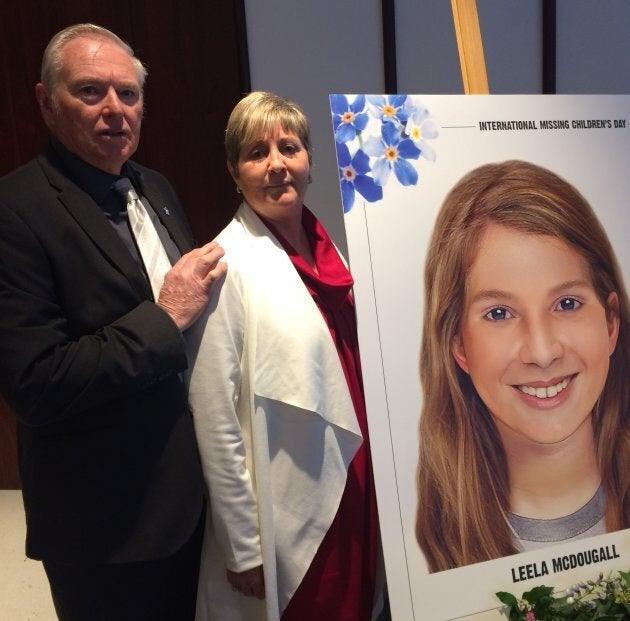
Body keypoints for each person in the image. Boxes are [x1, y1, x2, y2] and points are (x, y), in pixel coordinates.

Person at [0, 23, 226, 620]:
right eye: (90, 91)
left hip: (190, 502)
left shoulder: (156, 187)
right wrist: (164, 317)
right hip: (104, 527)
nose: (114, 110)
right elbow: (36, 382)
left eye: (128, 94)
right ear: (46, 103)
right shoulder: (13, 212)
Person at [186, 91, 381, 620]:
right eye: (256, 153)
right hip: (292, 505)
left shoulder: (332, 251)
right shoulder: (227, 265)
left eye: (289, 148)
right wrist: (243, 546)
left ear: (309, 160)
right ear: (234, 172)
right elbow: (213, 415)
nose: (276, 165)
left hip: (355, 479)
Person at [416, 159, 630, 573]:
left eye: (567, 304)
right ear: (457, 345)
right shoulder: (427, 557)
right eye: (499, 313)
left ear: (610, 325)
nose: (543, 351)